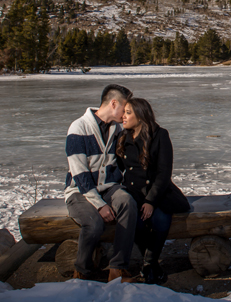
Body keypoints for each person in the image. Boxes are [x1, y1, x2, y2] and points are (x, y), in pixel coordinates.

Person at [64, 84, 137, 282]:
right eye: (125, 107)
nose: (126, 113)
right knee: (94, 224)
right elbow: (80, 175)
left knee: (128, 204)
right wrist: (100, 205)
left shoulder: (118, 129)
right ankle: (82, 271)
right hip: (79, 191)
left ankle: (117, 269)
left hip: (109, 188)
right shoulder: (78, 127)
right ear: (114, 103)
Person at [117, 97, 190, 284]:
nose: (123, 117)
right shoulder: (122, 137)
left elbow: (164, 173)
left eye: (128, 112)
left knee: (160, 218)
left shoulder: (160, 135)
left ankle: (149, 264)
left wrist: (150, 201)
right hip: (133, 192)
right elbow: (117, 168)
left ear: (141, 115)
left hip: (158, 191)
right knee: (137, 222)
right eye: (123, 112)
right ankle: (151, 264)